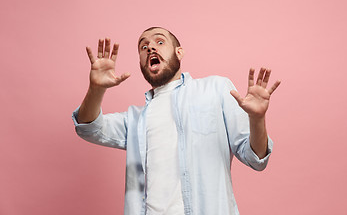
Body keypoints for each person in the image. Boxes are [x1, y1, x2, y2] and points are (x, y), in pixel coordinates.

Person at [72, 27, 281, 215]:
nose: (151, 48)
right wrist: (97, 88)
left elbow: (256, 159)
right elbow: (88, 127)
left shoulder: (216, 89)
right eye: (143, 47)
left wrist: (257, 118)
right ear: (141, 63)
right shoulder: (134, 120)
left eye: (159, 42)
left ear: (179, 52)